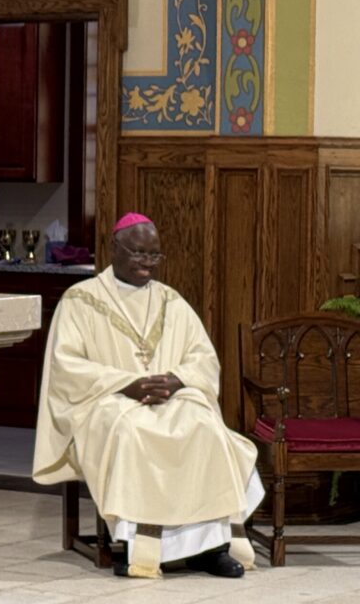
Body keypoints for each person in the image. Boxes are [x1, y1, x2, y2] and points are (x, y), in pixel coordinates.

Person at [32, 213, 263, 579]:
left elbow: (203, 357)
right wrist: (126, 383)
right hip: (107, 402)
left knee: (206, 426)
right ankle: (142, 547)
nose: (146, 263)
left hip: (170, 398)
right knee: (133, 433)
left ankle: (212, 547)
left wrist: (176, 379)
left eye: (154, 255)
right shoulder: (81, 300)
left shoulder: (171, 301)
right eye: (138, 253)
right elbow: (66, 365)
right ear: (114, 248)